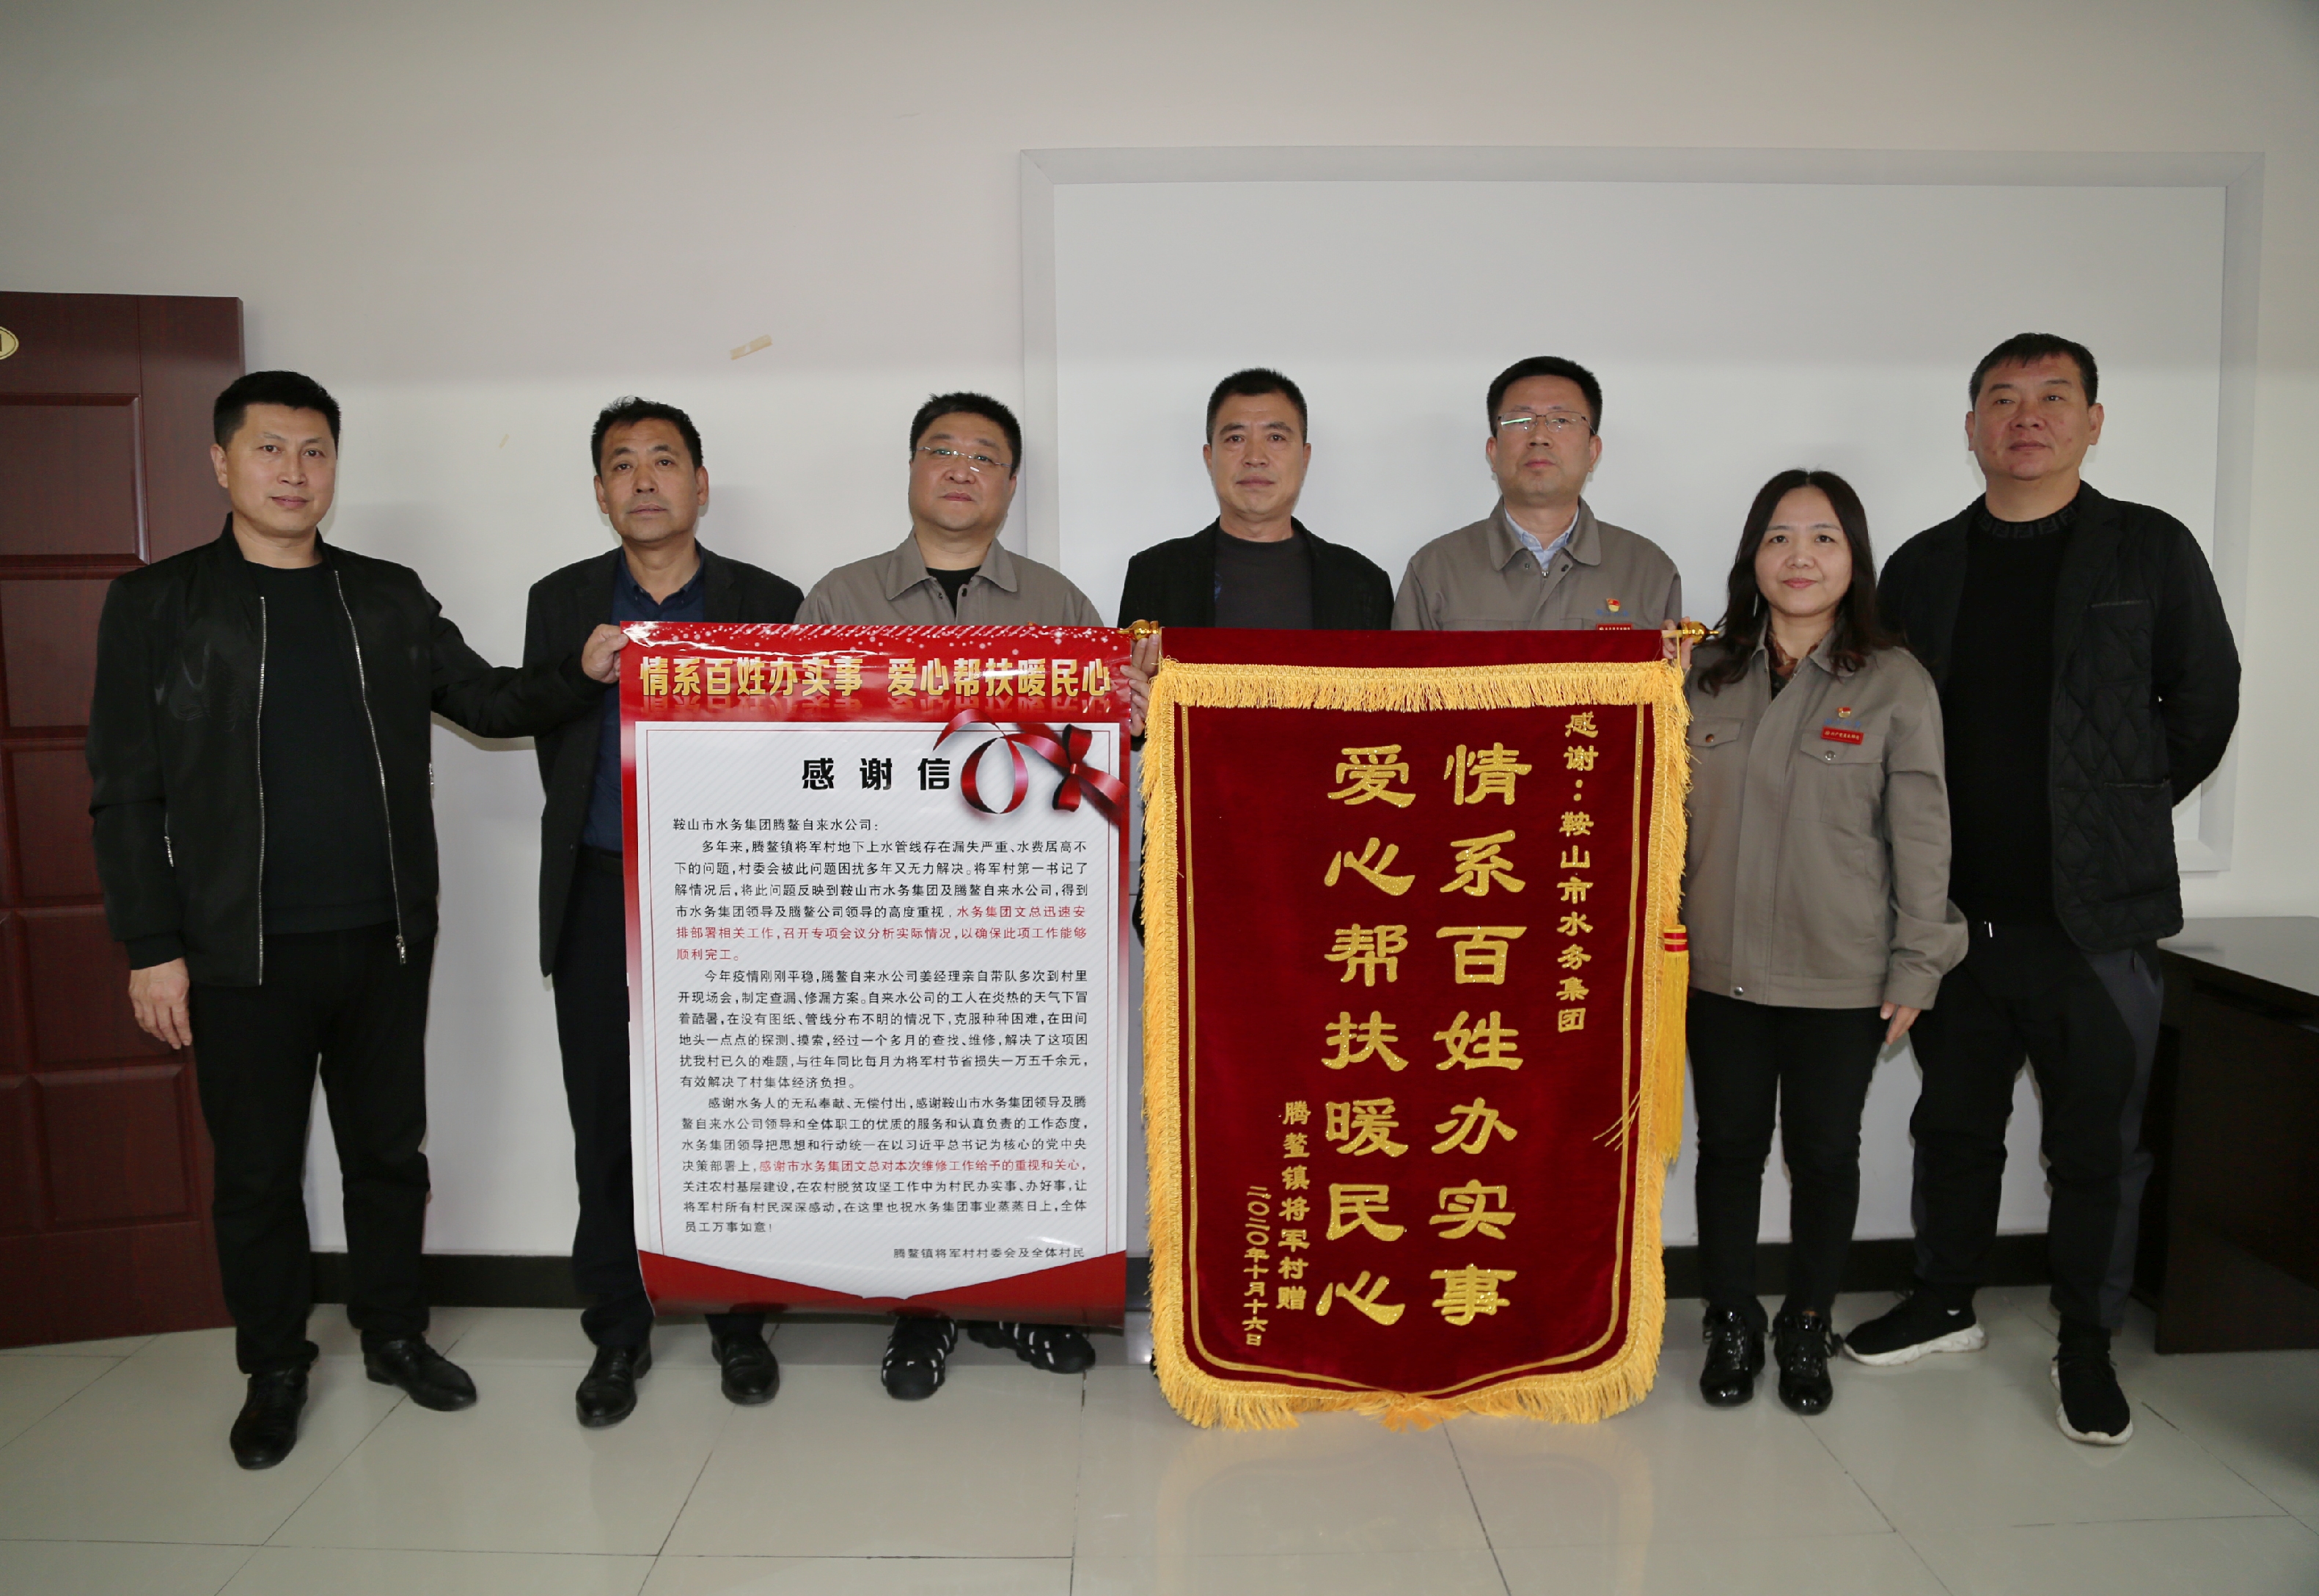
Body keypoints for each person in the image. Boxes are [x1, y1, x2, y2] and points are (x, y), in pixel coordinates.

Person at [87, 371, 622, 1469]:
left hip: (384, 936)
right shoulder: (158, 604)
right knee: (256, 1172)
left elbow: (487, 701)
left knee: (388, 1155)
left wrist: (578, 672)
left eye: (315, 451)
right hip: (236, 949)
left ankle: (393, 1335)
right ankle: (275, 1366)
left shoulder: (383, 596)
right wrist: (152, 947)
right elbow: (124, 790)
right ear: (222, 463)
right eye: (270, 449)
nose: (295, 472)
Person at [1847, 334, 2240, 1446]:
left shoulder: (2148, 548)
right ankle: (1944, 1301)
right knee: (1953, 1125)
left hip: (2096, 920)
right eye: (2003, 399)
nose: (2027, 417)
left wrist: (2116, 810)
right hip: (1954, 917)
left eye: (2053, 397)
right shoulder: (1925, 564)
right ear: (1971, 426)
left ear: (2092, 422)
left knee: (2096, 1147)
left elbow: (2204, 700)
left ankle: (2086, 1344)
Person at [796, 391, 1105, 1399]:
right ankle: (919, 1311)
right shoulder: (840, 599)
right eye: (942, 449)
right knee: (906, 1124)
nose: (961, 468)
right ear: (912, 470)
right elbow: (791, 751)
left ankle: (1017, 1295)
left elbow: (1093, 759)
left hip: (1020, 917)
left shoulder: (1059, 605)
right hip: (885, 914)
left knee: (1015, 1119)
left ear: (1010, 484)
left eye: (984, 455)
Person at [524, 398, 803, 1427]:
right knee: (605, 1117)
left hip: (729, 892)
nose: (644, 480)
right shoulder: (561, 601)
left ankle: (740, 1317)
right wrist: (578, 672)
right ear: (600, 493)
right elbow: (538, 718)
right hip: (601, 888)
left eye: (664, 460)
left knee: (735, 1114)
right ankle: (618, 1327)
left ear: (701, 484)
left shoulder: (768, 601)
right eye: (621, 464)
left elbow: (801, 747)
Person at [1682, 469, 1966, 1414]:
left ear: (1854, 559)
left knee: (1824, 1156)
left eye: (1823, 538)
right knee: (1728, 1149)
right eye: (1779, 537)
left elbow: (1923, 837)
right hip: (1718, 968)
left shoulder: (1894, 682)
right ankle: (1731, 1317)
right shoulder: (1703, 674)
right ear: (1752, 556)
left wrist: (1918, 964)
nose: (1799, 557)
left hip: (1842, 974)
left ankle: (1806, 1322)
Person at [1393, 356, 1682, 632]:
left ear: (1593, 452)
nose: (1539, 436)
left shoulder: (1647, 570)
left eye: (1561, 420)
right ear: (1493, 452)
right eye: (1520, 421)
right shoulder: (1435, 571)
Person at [1114, 367, 1393, 632]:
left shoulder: (1363, 584)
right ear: (1210, 458)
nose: (1255, 457)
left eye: (1276, 437)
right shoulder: (1154, 576)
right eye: (1236, 438)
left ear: (1304, 457)